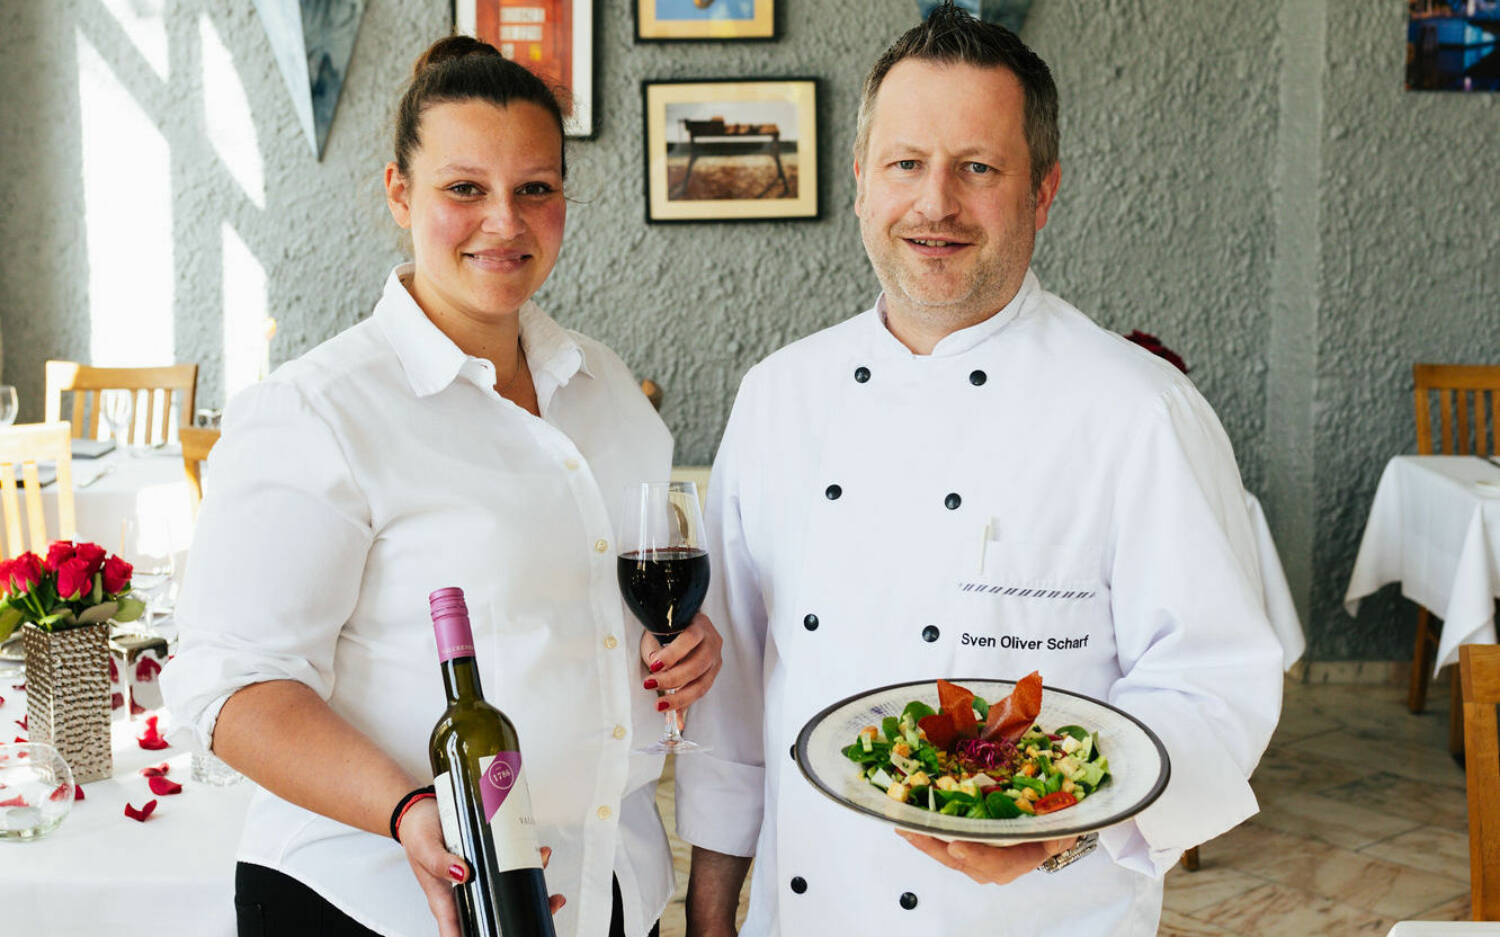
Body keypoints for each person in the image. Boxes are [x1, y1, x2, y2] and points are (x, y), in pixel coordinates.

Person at [674, 5, 1282, 935]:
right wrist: (712, 913)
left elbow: (1214, 684)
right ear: (860, 181)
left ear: (1043, 192)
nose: (935, 204)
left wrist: (1065, 832)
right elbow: (737, 697)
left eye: (978, 168)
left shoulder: (1139, 410)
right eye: (905, 163)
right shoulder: (778, 397)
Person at [162, 36, 721, 937]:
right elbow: (228, 689)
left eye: (535, 188)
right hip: (377, 901)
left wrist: (683, 644)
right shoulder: (316, 410)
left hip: (603, 887)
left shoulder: (608, 390)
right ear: (399, 193)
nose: (504, 221)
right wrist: (406, 811)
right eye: (464, 188)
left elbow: (601, 612)